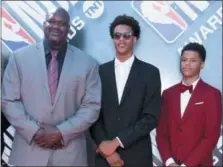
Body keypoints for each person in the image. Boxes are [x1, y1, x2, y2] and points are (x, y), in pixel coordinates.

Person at [2, 7, 101, 166]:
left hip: (69, 155)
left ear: (68, 28)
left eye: (62, 23)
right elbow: (8, 101)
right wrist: (35, 131)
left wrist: (61, 132)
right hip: (29, 154)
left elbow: (92, 106)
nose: (55, 26)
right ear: (43, 24)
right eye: (51, 21)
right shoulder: (19, 58)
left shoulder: (88, 63)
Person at [90, 15, 161, 167]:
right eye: (117, 36)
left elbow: (151, 117)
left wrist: (116, 142)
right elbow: (93, 113)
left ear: (134, 39)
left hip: (137, 156)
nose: (121, 39)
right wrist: (107, 149)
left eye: (126, 35)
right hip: (104, 158)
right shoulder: (99, 72)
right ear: (113, 39)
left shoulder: (150, 72)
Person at [156, 42, 222, 167]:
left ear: (202, 65)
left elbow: (211, 136)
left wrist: (187, 165)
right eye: (184, 60)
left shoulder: (212, 94)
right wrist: (170, 162)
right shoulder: (168, 94)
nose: (187, 64)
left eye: (193, 60)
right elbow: (161, 134)